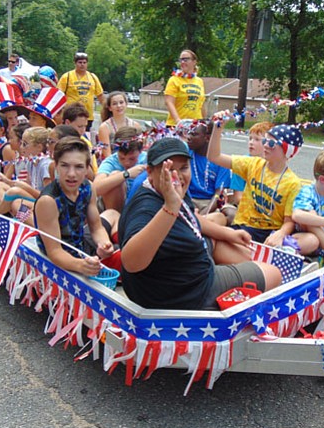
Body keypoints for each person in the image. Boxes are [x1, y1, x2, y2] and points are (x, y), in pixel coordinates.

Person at [118, 137, 282, 310]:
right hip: (184, 292)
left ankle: (241, 278)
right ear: (150, 171)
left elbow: (191, 218)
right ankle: (225, 302)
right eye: (169, 169)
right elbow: (131, 263)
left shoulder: (168, 187)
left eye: (184, 168)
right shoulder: (146, 207)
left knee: (231, 246)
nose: (178, 176)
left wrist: (229, 233)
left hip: (181, 270)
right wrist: (170, 207)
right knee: (274, 274)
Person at [208, 123, 304, 248]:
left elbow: (289, 221)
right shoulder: (253, 164)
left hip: (270, 232)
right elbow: (214, 157)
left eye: (271, 143)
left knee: (309, 240)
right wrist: (217, 129)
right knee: (213, 221)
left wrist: (281, 233)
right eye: (265, 140)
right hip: (243, 226)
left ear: (287, 150)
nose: (265, 145)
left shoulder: (293, 183)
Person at [33, 137, 119, 276]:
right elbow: (55, 251)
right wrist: (81, 265)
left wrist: (103, 244)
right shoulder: (48, 201)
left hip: (80, 245)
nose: (71, 174)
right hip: (61, 259)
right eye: (65, 165)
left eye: (78, 167)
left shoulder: (88, 187)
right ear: (56, 166)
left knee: (124, 246)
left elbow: (96, 227)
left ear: (87, 169)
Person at [0, 127, 52, 221]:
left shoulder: (45, 165)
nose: (21, 147)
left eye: (25, 144)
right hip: (33, 198)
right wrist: (7, 181)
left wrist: (24, 187)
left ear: (39, 147)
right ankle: (6, 208)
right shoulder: (30, 162)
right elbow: (28, 183)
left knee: (15, 198)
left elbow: (48, 196)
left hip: (44, 203)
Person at [93, 126, 147, 212]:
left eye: (132, 159)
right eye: (122, 158)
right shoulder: (111, 161)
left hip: (139, 207)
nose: (127, 163)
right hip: (114, 208)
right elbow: (95, 189)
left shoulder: (146, 160)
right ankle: (116, 220)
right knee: (115, 174)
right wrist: (126, 174)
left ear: (140, 151)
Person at [186, 120, 232, 215]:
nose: (188, 138)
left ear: (207, 138)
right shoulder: (185, 155)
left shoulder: (222, 161)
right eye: (189, 133)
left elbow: (218, 194)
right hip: (188, 200)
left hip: (210, 202)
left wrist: (203, 215)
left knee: (231, 214)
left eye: (194, 134)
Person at [57, 52, 105, 130]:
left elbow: (100, 96)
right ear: (75, 63)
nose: (82, 64)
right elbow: (58, 95)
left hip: (87, 116)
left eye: (84, 62)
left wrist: (106, 110)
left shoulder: (93, 77)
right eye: (80, 62)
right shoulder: (67, 76)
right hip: (71, 116)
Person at [164, 49, 206, 127]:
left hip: (195, 125)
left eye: (186, 59)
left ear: (194, 62)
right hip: (177, 125)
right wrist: (178, 121)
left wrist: (204, 121)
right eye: (181, 60)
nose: (183, 62)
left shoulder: (199, 81)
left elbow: (201, 104)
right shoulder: (174, 80)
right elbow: (169, 102)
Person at [98, 91, 141, 159]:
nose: (119, 106)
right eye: (114, 104)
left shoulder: (135, 125)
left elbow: (140, 151)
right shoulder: (104, 127)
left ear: (126, 104)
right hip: (113, 164)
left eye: (121, 102)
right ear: (109, 108)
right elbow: (107, 155)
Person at [62, 102, 99, 176]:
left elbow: (94, 171)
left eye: (85, 126)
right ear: (67, 123)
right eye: (79, 126)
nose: (83, 130)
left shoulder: (86, 143)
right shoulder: (57, 140)